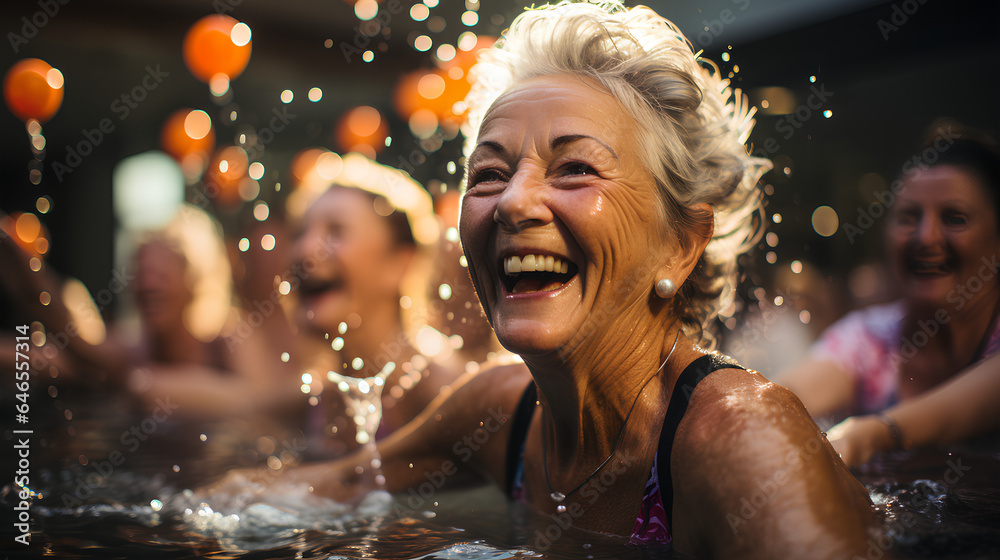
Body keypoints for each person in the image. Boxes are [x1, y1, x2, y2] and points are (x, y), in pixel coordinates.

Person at [207, 3, 873, 556]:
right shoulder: (500, 411)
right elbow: (327, 488)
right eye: (489, 174)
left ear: (679, 244)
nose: (514, 203)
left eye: (575, 169)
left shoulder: (739, 440)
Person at [778, 124, 1000, 466]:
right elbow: (781, 398)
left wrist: (872, 435)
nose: (926, 237)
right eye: (909, 217)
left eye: (955, 218)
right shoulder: (869, 338)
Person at [286, 153, 465, 458]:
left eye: (335, 232)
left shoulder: (442, 393)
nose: (304, 250)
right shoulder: (324, 393)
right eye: (301, 232)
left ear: (400, 263)